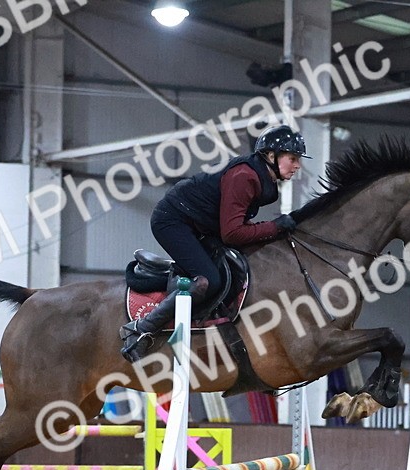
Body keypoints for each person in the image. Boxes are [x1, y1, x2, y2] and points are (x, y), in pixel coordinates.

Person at [119, 124, 308, 362]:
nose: (297, 165)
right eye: (293, 158)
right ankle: (140, 330)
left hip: (201, 224)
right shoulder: (245, 177)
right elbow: (232, 234)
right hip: (173, 220)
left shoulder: (260, 178)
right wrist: (275, 227)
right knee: (207, 280)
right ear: (271, 155)